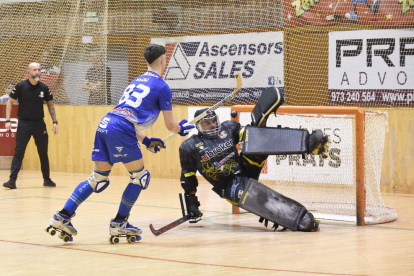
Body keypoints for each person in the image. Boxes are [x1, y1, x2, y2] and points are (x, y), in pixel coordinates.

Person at [46, 44, 195, 243]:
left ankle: (62, 216)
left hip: (107, 123)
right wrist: (181, 128)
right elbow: (170, 125)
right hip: (121, 128)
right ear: (163, 60)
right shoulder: (161, 86)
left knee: (97, 178)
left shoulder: (136, 80)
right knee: (140, 177)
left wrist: (147, 140)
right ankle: (120, 222)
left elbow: (125, 115)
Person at [179, 88, 330, 232]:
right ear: (198, 127)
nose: (213, 125)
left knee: (256, 138)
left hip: (245, 168)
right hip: (228, 185)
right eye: (208, 123)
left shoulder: (228, 128)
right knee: (250, 193)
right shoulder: (189, 147)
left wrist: (257, 129)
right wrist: (190, 202)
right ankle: (299, 219)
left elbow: (246, 134)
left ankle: (308, 143)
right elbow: (188, 177)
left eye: (214, 121)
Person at [3, 63, 58, 189]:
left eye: (39, 70)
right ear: (29, 72)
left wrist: (55, 122)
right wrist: (7, 120)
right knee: (19, 152)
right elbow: (10, 102)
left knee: (43, 152)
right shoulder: (21, 86)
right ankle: (12, 181)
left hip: (39, 123)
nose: (38, 72)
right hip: (24, 123)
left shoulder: (44, 87)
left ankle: (47, 179)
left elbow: (50, 104)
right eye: (35, 70)